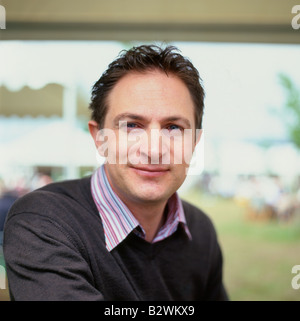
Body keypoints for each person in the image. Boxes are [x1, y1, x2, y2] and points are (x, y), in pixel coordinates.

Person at [3, 44, 228, 301]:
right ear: (99, 138)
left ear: (195, 143)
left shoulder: (200, 231)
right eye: (132, 125)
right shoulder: (43, 221)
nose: (154, 150)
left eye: (174, 128)